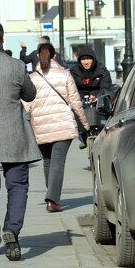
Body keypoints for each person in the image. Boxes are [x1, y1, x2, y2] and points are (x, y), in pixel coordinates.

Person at [0, 20, 39, 261]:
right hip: (15, 134)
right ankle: (12, 229)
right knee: (18, 186)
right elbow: (30, 94)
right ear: (3, 38)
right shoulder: (16, 65)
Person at [26, 42, 89, 213]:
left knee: (48, 162)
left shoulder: (32, 78)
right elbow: (76, 103)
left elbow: (26, 105)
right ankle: (52, 199)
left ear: (38, 56)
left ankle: (51, 195)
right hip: (63, 125)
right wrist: (85, 125)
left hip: (40, 126)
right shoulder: (64, 74)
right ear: (54, 56)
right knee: (57, 163)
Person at [69, 45, 112, 144]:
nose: (86, 62)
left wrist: (96, 95)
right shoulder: (74, 72)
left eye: (89, 59)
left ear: (93, 59)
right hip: (80, 97)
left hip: (98, 97)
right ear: (79, 60)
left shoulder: (102, 70)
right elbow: (71, 89)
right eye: (83, 59)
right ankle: (82, 136)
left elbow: (106, 86)